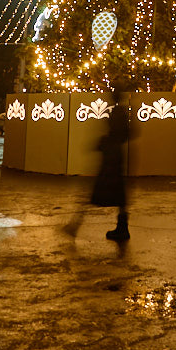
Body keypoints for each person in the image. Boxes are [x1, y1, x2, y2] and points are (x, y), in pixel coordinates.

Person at [63, 85, 131, 242]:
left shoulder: (116, 113)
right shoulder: (122, 112)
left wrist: (104, 143)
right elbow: (127, 134)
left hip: (110, 159)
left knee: (95, 192)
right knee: (119, 196)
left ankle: (75, 226)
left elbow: (117, 134)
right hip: (116, 158)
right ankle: (122, 227)